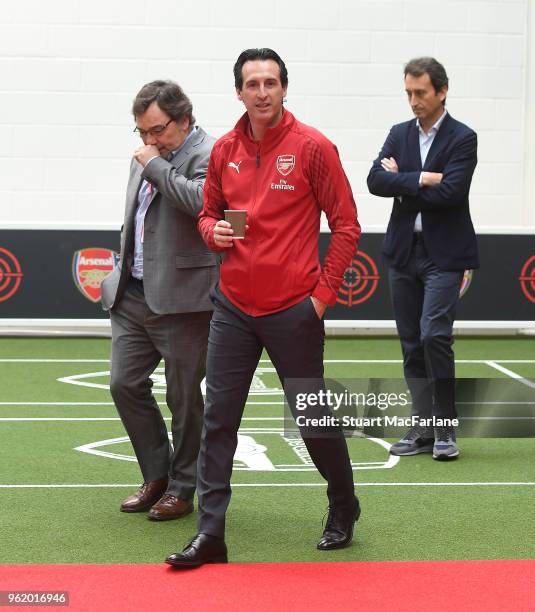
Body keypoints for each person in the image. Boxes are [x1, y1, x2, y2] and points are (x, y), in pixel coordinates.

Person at [166, 48, 361, 568]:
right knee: (219, 421)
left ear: (284, 88)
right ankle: (211, 536)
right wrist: (214, 232)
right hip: (232, 307)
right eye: (253, 83)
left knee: (312, 419)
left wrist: (320, 299)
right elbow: (207, 215)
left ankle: (343, 504)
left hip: (293, 309)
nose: (262, 91)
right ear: (238, 92)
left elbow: (346, 225)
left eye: (271, 82)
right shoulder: (225, 148)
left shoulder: (313, 147)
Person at [101, 80, 217, 520]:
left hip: (186, 300)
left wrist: (155, 166)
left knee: (184, 397)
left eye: (157, 130)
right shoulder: (148, 155)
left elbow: (203, 202)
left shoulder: (211, 154)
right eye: (142, 131)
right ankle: (157, 474)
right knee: (123, 383)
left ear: (184, 118)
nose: (149, 140)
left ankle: (184, 487)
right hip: (133, 292)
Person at [367, 57, 478, 460]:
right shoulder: (399, 134)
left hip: (444, 255)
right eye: (409, 93)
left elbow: (451, 194)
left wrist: (403, 180)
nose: (413, 100)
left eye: (421, 93)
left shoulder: (464, 137)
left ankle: (446, 428)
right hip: (403, 253)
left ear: (441, 91)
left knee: (434, 335)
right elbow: (375, 180)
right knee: (412, 343)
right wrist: (420, 178)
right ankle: (422, 428)